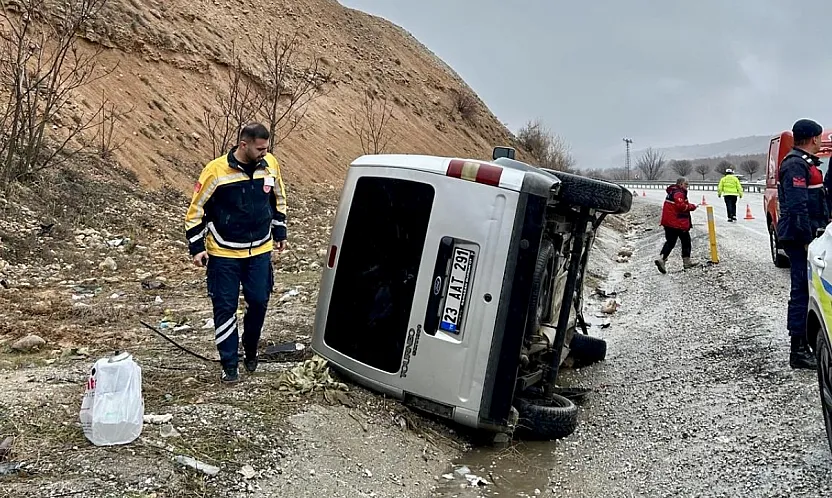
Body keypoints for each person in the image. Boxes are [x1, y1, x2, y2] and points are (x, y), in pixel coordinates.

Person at [184, 123, 288, 383]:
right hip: (224, 253)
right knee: (225, 307)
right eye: (260, 148)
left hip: (260, 249)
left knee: (259, 301)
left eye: (267, 148)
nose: (265, 152)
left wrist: (280, 231)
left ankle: (250, 349)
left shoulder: (270, 164)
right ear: (244, 145)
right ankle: (229, 363)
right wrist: (197, 247)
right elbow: (195, 210)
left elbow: (279, 198)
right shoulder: (215, 171)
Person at [777, 118, 827, 370]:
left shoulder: (804, 163)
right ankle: (797, 349)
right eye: (819, 137)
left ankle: (804, 343)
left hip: (806, 235)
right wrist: (807, 240)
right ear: (814, 138)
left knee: (808, 290)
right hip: (800, 238)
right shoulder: (796, 164)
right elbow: (797, 206)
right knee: (801, 291)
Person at [655, 177, 698, 274]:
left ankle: (662, 259)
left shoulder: (672, 192)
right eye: (686, 184)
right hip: (678, 222)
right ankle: (686, 262)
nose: (688, 186)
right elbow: (681, 206)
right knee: (686, 241)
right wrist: (692, 207)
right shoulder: (679, 193)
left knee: (670, 242)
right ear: (681, 184)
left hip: (668, 222)